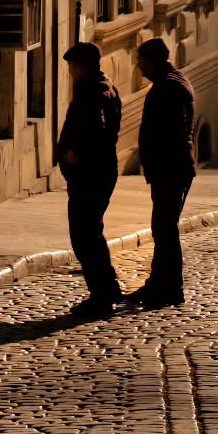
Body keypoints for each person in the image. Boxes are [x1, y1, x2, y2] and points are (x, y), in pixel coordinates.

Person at [55, 41, 124, 319]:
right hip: (97, 171)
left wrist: (76, 154)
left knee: (84, 235)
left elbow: (96, 129)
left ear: (81, 66)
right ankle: (107, 289)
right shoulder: (103, 86)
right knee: (91, 232)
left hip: (91, 173)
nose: (70, 71)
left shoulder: (93, 91)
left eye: (72, 66)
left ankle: (102, 296)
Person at [131, 37, 196, 308]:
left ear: (153, 60)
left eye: (141, 61)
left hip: (171, 169)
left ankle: (171, 288)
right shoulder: (171, 82)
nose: (138, 66)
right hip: (170, 168)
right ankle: (158, 284)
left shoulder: (169, 88)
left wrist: (158, 164)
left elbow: (170, 133)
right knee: (162, 229)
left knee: (166, 230)